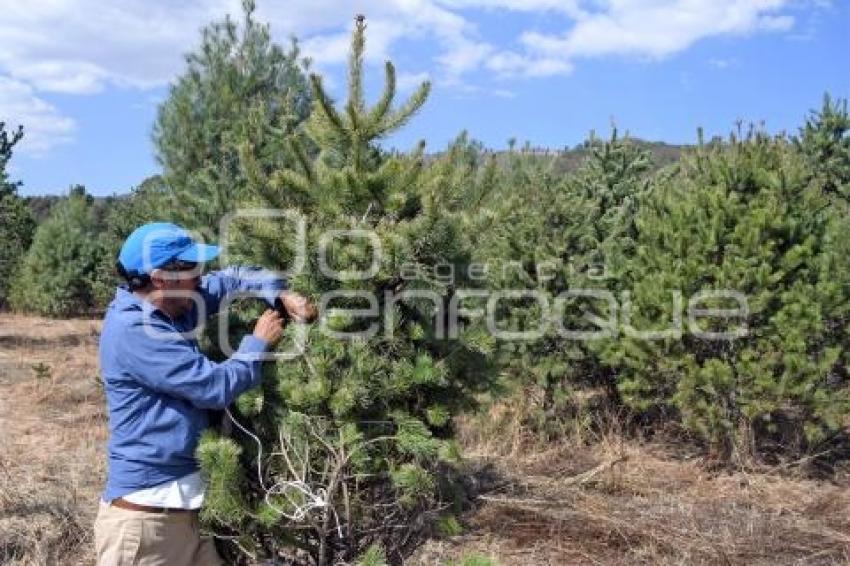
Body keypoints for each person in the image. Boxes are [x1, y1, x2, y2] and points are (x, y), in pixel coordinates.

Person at [94, 222, 316, 565]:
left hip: (189, 519)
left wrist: (280, 295)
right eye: (191, 270)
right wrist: (256, 343)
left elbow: (234, 278)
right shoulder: (134, 330)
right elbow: (213, 387)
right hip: (146, 527)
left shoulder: (172, 306)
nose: (201, 278)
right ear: (159, 278)